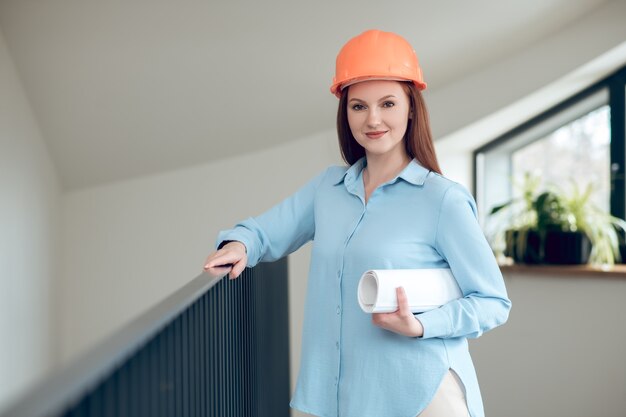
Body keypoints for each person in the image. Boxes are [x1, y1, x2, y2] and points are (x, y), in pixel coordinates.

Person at [203, 29, 511, 417]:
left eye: (387, 103)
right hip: (333, 399)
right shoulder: (327, 189)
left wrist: (421, 326)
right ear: (344, 112)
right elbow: (264, 232)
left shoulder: (442, 200)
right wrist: (239, 245)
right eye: (358, 106)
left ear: (411, 107)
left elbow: (493, 303)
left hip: (421, 397)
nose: (373, 119)